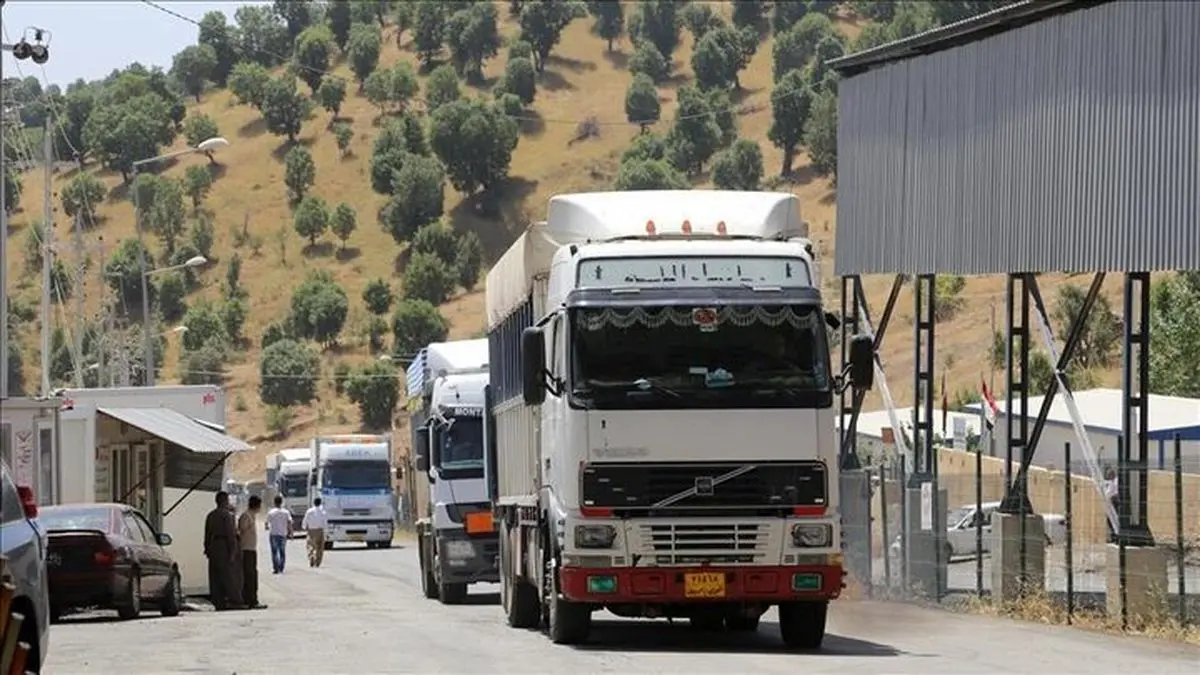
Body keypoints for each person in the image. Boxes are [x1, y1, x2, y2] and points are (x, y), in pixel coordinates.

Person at [203, 491, 242, 610]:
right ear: (225, 501)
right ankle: (235, 600)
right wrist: (233, 551)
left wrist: (207, 548)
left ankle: (218, 601)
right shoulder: (227, 516)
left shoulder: (210, 515)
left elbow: (207, 534)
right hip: (224, 546)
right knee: (228, 575)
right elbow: (230, 534)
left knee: (214, 576)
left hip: (213, 546)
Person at [237, 496, 267, 609]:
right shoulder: (246, 516)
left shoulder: (252, 516)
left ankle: (252, 599)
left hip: (251, 549)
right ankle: (250, 600)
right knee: (249, 576)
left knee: (252, 575)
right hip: (246, 550)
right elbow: (241, 530)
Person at [265, 495, 293, 574]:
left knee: (274, 552)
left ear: (274, 502)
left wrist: (267, 527)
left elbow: (266, 523)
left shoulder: (271, 512)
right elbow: (289, 522)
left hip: (273, 534)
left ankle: (276, 568)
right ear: (281, 502)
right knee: (282, 552)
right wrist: (291, 532)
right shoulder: (286, 512)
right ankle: (281, 567)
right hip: (283, 534)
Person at [302, 497, 328, 568]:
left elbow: (305, 520)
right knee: (320, 547)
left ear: (314, 503)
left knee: (310, 545)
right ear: (320, 503)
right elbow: (325, 523)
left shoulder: (309, 511)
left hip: (311, 530)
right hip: (320, 530)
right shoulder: (323, 512)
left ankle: (311, 557)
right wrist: (326, 532)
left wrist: (304, 527)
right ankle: (317, 561)